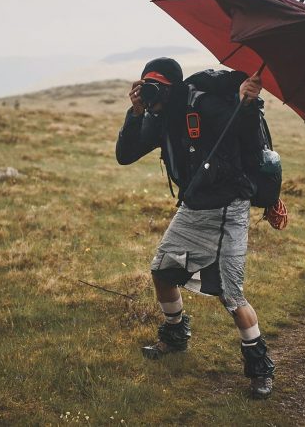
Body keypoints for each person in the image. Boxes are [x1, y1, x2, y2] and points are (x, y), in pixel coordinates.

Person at [115, 57, 276, 399]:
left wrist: (246, 104)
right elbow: (125, 154)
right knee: (161, 271)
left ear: (173, 87)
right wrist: (137, 113)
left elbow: (245, 135)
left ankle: (260, 368)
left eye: (156, 87)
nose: (151, 94)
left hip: (228, 207)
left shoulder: (202, 102)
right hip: (194, 206)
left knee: (231, 295)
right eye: (146, 86)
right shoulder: (158, 117)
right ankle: (175, 336)